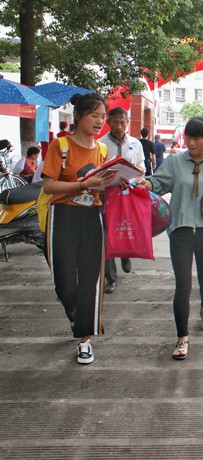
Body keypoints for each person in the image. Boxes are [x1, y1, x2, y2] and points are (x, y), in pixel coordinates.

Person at [136, 116, 203, 360]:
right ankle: (182, 338)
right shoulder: (175, 161)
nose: (191, 142)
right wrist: (143, 182)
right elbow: (158, 183)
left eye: (197, 137)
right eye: (189, 137)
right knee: (183, 285)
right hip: (179, 230)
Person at [41, 92, 118, 365]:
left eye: (103, 117)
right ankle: (76, 313)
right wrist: (84, 184)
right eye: (94, 115)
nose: (100, 122)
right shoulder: (60, 145)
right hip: (63, 216)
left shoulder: (103, 150)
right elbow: (49, 186)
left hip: (93, 216)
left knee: (90, 280)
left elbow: (101, 186)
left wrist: (115, 181)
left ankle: (85, 340)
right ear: (78, 116)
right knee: (64, 282)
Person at [98, 107, 145, 294]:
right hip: (107, 195)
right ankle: (111, 278)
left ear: (127, 122)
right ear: (108, 122)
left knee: (126, 228)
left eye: (123, 122)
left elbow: (141, 168)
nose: (119, 126)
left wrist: (133, 180)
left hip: (129, 193)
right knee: (107, 234)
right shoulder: (100, 144)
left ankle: (125, 253)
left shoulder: (136, 144)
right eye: (115, 122)